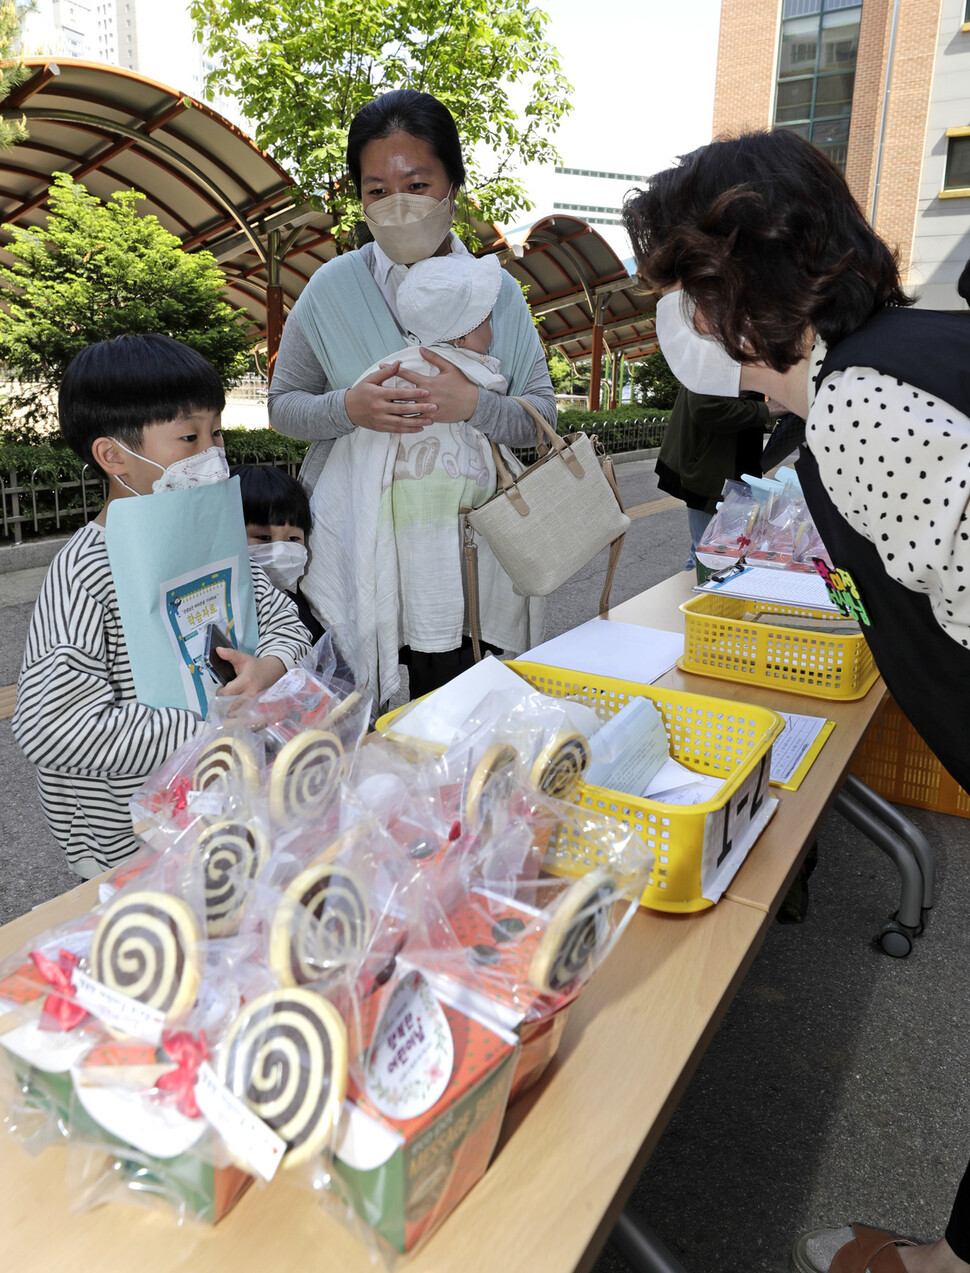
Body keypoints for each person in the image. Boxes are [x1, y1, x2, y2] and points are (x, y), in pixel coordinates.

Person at [623, 129, 970, 1273]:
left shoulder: (865, 406)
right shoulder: (892, 359)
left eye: (690, 293)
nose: (683, 324)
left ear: (747, 291)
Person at [268, 88, 554, 703]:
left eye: (417, 185)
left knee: (463, 729)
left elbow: (542, 421)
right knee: (370, 744)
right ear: (359, 198)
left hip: (469, 571)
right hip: (354, 562)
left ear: (453, 185)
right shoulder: (330, 290)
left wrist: (473, 405)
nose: (397, 204)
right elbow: (282, 404)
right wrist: (346, 409)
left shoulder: (494, 292)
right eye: (377, 190)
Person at [13, 335, 312, 880]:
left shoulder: (213, 537)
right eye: (189, 437)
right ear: (113, 456)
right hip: (130, 843)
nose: (213, 454)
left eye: (216, 433)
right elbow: (50, 727)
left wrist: (269, 667)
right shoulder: (86, 570)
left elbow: (285, 623)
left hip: (221, 808)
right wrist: (209, 723)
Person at [302, 250, 510, 699]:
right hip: (449, 551)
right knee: (451, 686)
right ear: (469, 326)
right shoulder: (473, 376)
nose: (493, 329)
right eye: (488, 318)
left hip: (402, 549)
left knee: (430, 658)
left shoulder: (391, 372)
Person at [656, 386, 770, 568]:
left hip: (732, 464)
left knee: (727, 553)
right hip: (709, 468)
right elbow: (707, 408)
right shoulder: (713, 359)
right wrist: (769, 409)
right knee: (707, 554)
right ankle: (698, 592)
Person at [230, 463, 324, 644]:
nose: (281, 550)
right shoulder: (228, 611)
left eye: (293, 539)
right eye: (264, 537)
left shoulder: (305, 606)